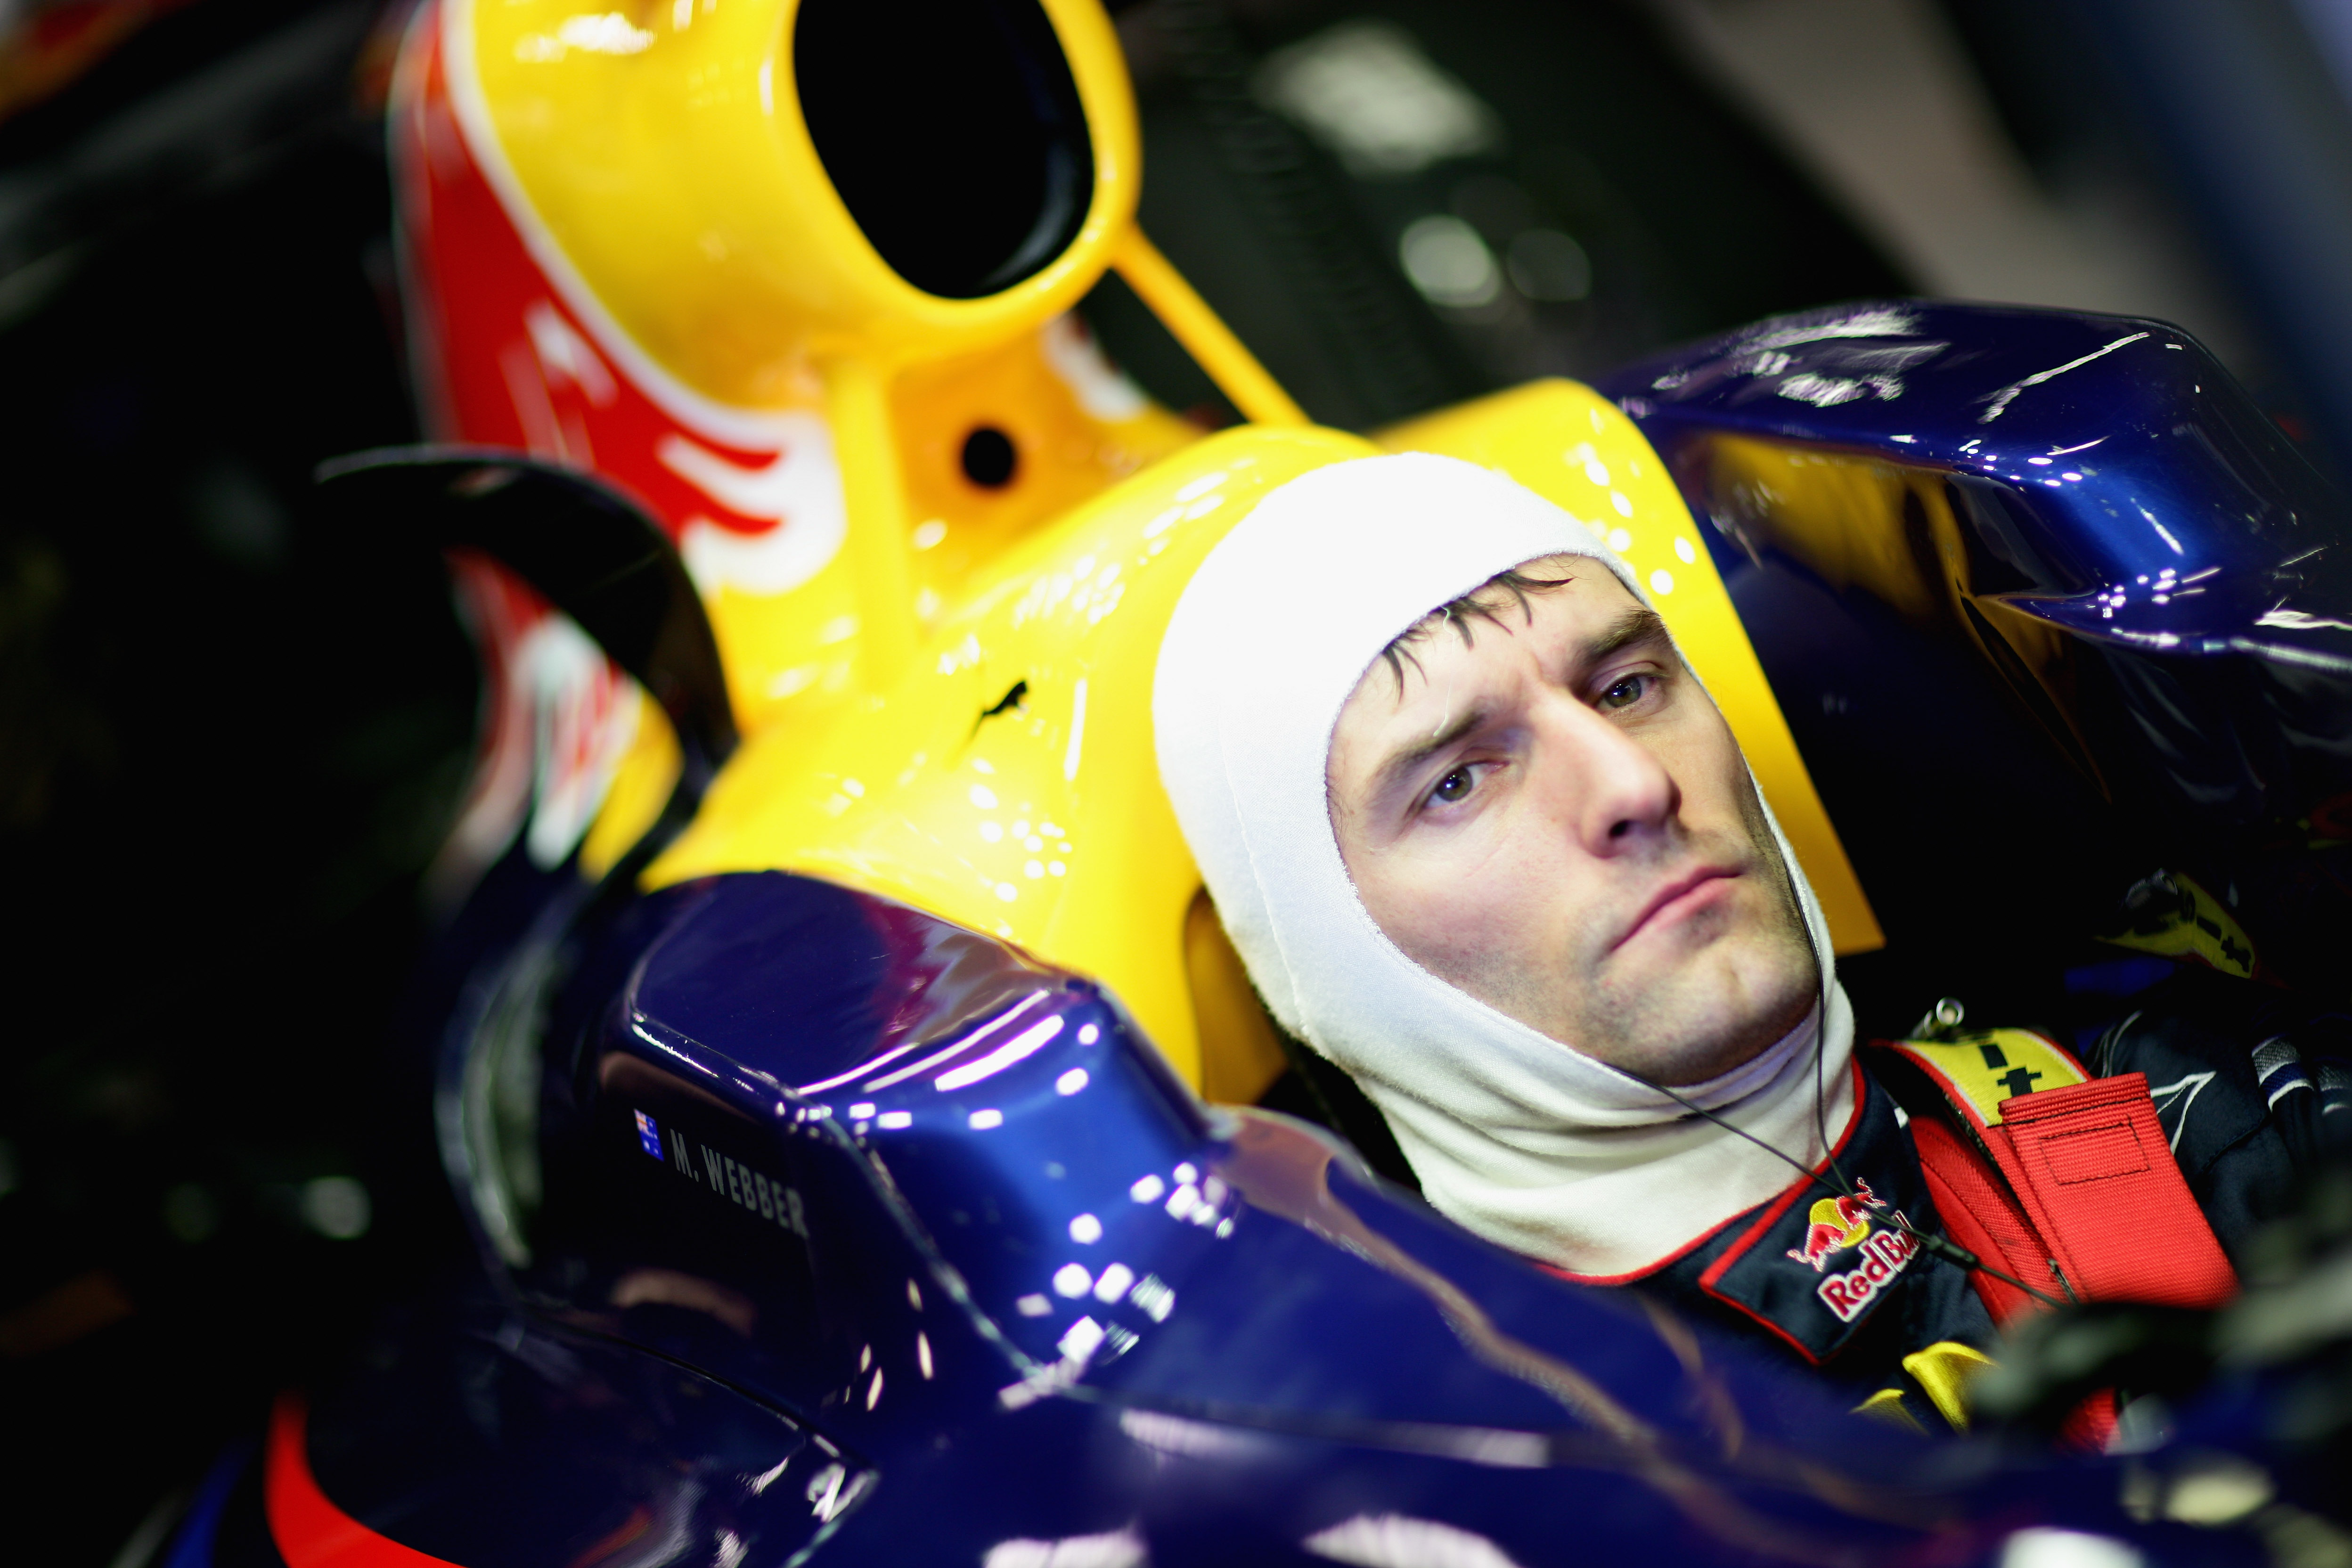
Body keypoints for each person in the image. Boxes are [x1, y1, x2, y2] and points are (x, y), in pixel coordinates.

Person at [1153, 453, 2348, 1434]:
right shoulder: (1474, 1486)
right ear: (1332, 959)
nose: (1633, 784)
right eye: (1459, 778)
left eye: (1625, 686)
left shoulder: (2199, 1084)